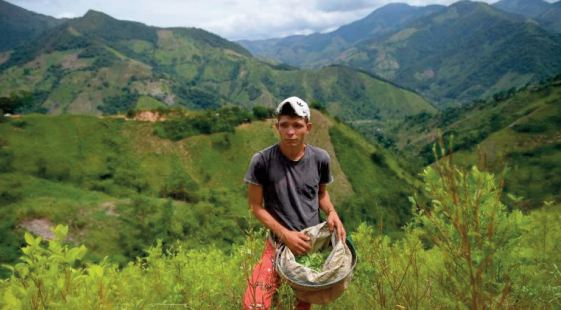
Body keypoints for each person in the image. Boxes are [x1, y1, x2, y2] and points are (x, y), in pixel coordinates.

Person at [243, 96, 346, 310]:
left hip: (307, 247)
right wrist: (285, 235)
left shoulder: (320, 159)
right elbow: (256, 206)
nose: (291, 132)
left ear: (307, 127)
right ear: (277, 127)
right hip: (277, 245)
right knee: (255, 303)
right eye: (285, 125)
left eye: (297, 125)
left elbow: (321, 194)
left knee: (298, 306)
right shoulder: (262, 161)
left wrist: (332, 212)